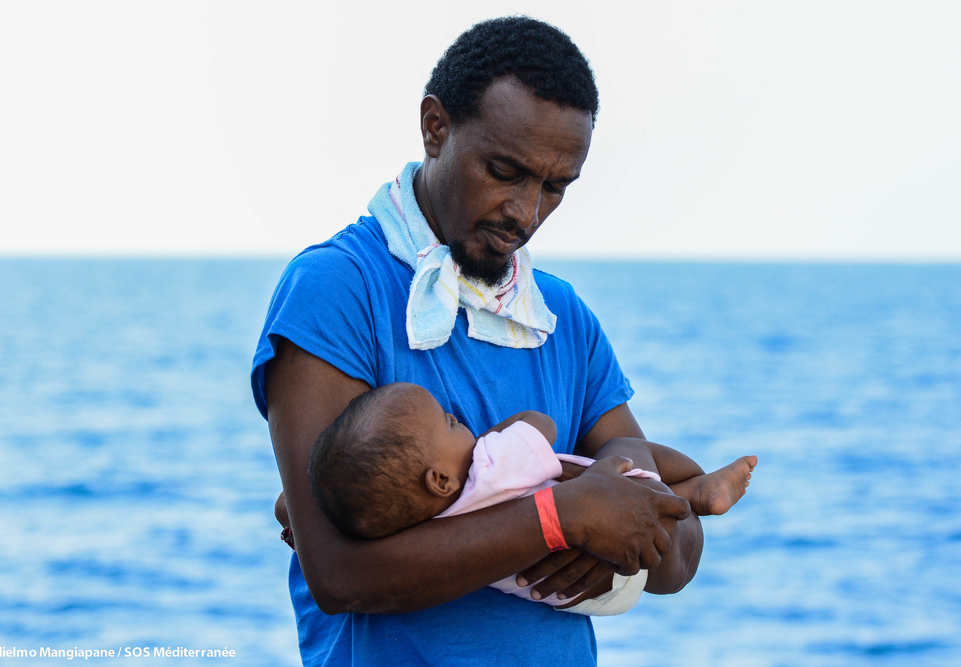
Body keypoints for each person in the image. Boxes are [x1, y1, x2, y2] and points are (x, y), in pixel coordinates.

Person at [252, 16, 708, 666]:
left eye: (554, 187)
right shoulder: (337, 289)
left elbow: (681, 558)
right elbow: (340, 573)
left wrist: (617, 541)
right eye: (504, 170)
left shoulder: (562, 317)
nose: (526, 212)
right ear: (435, 127)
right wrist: (562, 519)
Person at [291, 382, 756, 616]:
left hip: (583, 595)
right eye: (448, 422)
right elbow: (540, 424)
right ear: (438, 479)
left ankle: (687, 492)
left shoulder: (420, 525)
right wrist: (490, 438)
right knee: (626, 453)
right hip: (622, 552)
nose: (457, 418)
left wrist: (301, 509)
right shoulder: (489, 470)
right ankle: (695, 485)